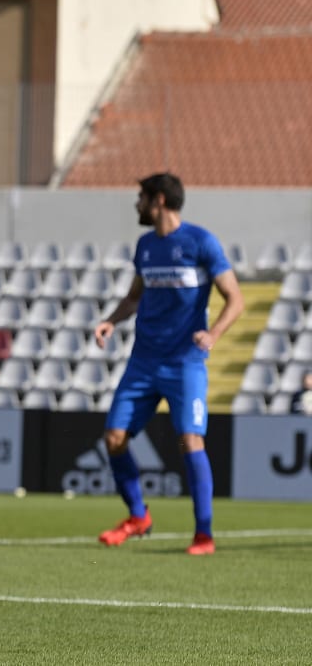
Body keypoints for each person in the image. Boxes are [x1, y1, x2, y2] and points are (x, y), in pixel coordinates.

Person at [93, 172, 243, 556]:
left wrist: (214, 335)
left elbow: (235, 298)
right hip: (143, 361)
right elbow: (133, 298)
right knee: (114, 438)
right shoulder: (145, 246)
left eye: (141, 197)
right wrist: (111, 320)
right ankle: (138, 516)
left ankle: (203, 534)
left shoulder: (200, 242)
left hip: (184, 363)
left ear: (159, 199)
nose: (137, 204)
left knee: (190, 440)